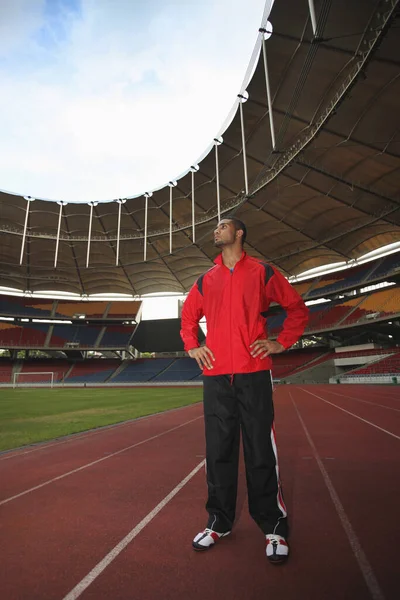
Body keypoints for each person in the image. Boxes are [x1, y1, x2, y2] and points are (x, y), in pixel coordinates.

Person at [180, 216, 309, 564]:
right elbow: (188, 318)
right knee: (219, 450)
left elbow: (297, 308)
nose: (215, 229)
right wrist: (193, 346)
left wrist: (281, 342)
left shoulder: (263, 272)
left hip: (254, 372)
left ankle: (274, 525)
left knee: (259, 449)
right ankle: (218, 521)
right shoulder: (206, 280)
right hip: (216, 375)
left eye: (223, 225)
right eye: (215, 226)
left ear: (239, 233)